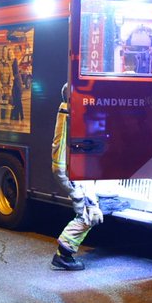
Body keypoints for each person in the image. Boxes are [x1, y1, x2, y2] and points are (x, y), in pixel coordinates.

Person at [50, 83, 103, 270]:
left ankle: (64, 253)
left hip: (72, 171)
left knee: (91, 213)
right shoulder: (67, 114)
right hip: (69, 172)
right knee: (89, 215)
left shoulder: (66, 112)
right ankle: (63, 254)